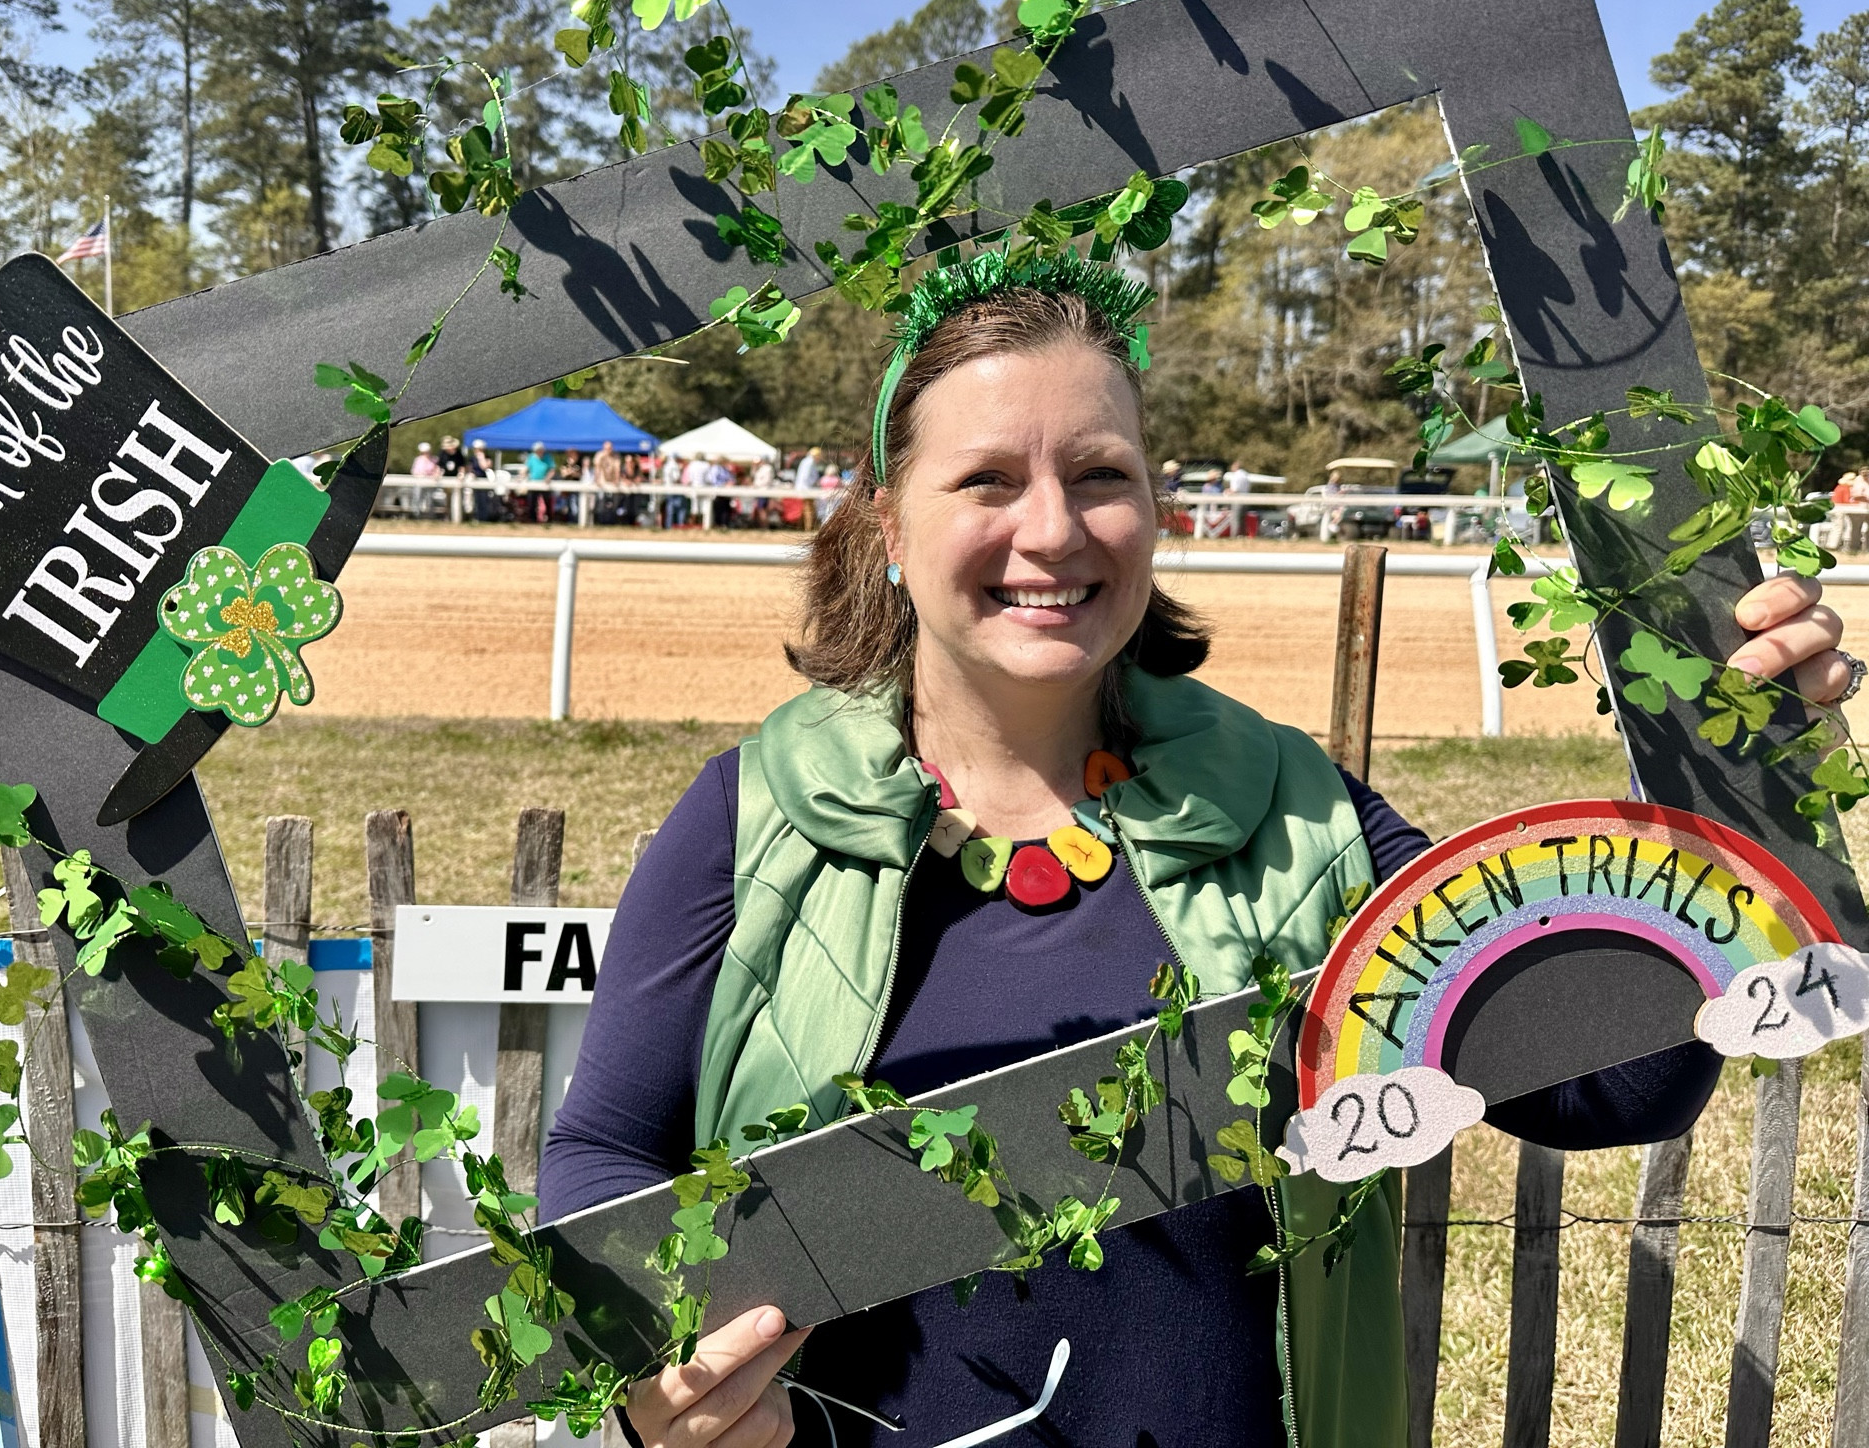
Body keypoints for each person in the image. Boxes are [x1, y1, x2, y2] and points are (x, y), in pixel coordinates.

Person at [541, 248, 1856, 1448]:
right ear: (889, 525)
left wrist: (1736, 801)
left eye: (1100, 474)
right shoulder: (754, 817)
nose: (1052, 531)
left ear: (1155, 508)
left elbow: (1608, 1085)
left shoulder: (1293, 816)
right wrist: (665, 1359)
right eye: (988, 480)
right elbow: (600, 1155)